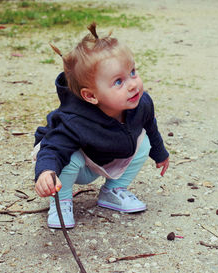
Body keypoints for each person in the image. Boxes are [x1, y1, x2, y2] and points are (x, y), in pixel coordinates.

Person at [33, 22, 169, 229]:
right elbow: (53, 148)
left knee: (144, 142)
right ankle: (61, 200)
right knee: (69, 156)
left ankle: (113, 190)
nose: (133, 84)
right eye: (118, 82)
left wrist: (160, 154)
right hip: (70, 163)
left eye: (132, 72)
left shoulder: (141, 103)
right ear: (91, 96)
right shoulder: (74, 121)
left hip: (102, 158)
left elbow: (150, 124)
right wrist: (45, 172)